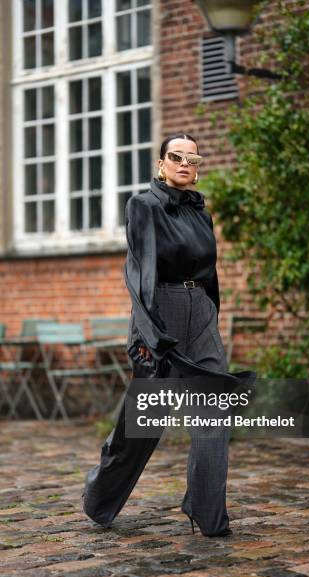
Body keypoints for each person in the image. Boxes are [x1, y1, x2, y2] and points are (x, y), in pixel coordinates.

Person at [83, 132, 255, 537]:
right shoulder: (143, 206)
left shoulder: (201, 212)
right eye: (175, 157)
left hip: (201, 316)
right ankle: (99, 498)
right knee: (147, 421)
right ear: (160, 164)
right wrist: (147, 333)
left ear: (197, 170)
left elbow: (209, 273)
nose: (183, 164)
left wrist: (211, 314)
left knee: (214, 410)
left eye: (191, 159)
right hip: (161, 311)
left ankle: (208, 514)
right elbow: (139, 272)